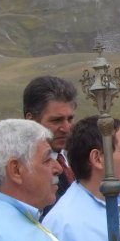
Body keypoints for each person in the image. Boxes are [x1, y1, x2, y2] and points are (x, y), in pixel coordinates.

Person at [22, 75, 77, 209]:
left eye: (70, 119)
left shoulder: (78, 159)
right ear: (31, 121)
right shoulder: (23, 173)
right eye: (56, 120)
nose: (66, 128)